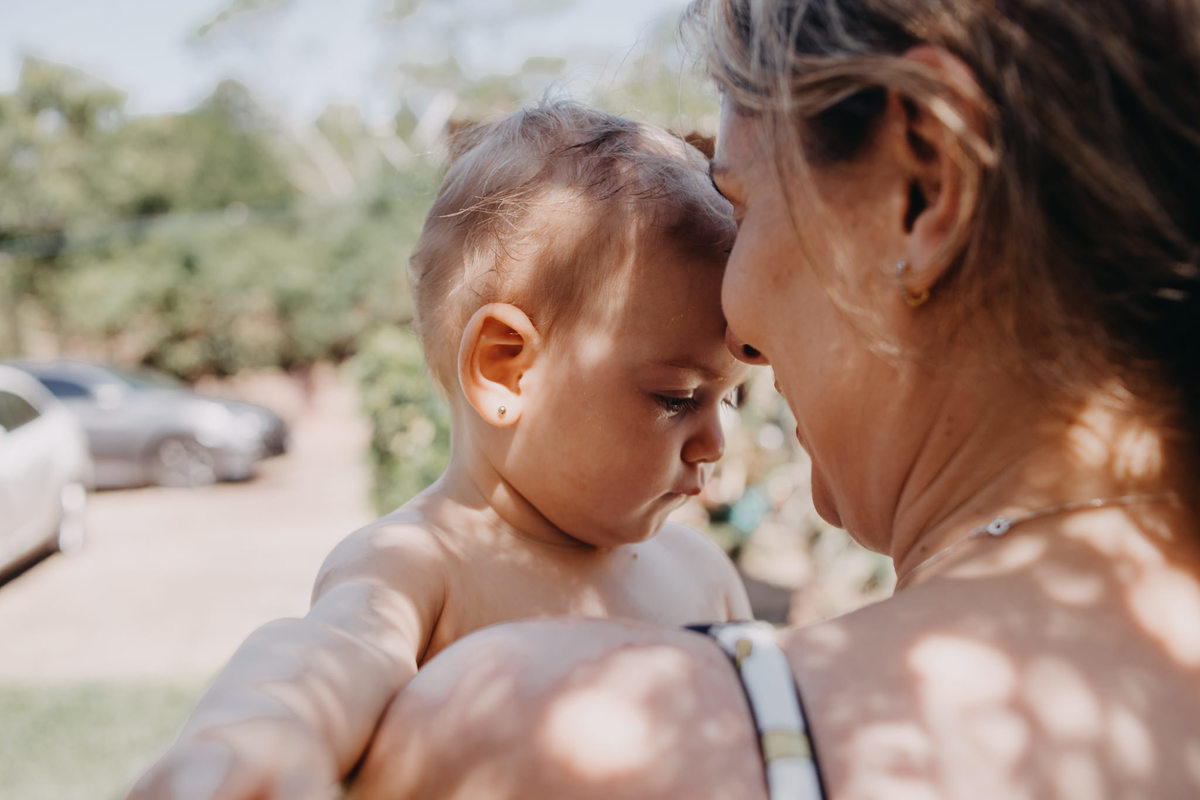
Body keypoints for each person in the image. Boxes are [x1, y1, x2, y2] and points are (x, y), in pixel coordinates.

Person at [346, 1, 1200, 798]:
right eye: (674, 395)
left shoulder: (543, 736)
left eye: (744, 204)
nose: (737, 330)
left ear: (923, 183)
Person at [127, 100, 752, 800]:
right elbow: (336, 647)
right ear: (506, 370)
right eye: (676, 397)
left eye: (729, 399)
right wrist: (263, 729)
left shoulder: (702, 572)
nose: (715, 441)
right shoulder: (423, 564)